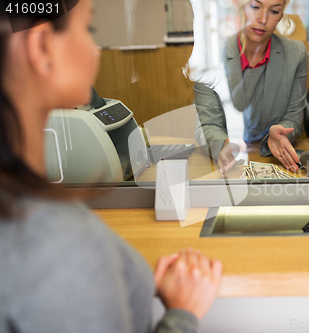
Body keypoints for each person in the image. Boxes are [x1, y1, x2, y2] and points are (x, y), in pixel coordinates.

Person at [0, 1, 222, 332]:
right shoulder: (68, 251)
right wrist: (181, 315)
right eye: (88, 30)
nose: (97, 51)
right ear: (42, 47)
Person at [194, 0, 308, 173]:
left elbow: (294, 118)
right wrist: (225, 144)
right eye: (255, 7)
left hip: (271, 161)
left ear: (282, 14)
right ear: (239, 5)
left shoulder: (296, 54)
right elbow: (206, 124)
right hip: (229, 167)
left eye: (274, 11)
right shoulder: (210, 57)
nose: (263, 19)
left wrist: (280, 134)